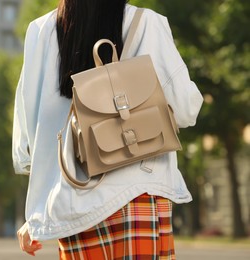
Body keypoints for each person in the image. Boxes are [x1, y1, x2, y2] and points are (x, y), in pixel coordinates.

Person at [13, 0, 203, 259]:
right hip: (137, 194)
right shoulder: (145, 23)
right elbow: (185, 108)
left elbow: (31, 134)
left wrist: (37, 211)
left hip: (72, 199)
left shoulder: (41, 31)